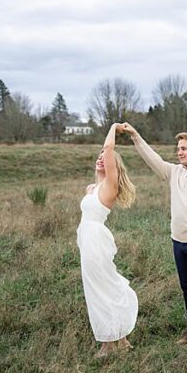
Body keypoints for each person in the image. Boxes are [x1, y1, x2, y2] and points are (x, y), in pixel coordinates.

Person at [120, 123, 187, 345]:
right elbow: (153, 159)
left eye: (183, 148)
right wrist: (135, 135)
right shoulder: (174, 172)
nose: (179, 152)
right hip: (178, 243)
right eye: (178, 149)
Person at [77, 123, 138, 358]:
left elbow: (109, 147)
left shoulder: (110, 185)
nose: (101, 158)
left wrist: (113, 127)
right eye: (99, 157)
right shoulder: (93, 187)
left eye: (106, 157)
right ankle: (120, 340)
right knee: (96, 288)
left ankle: (108, 342)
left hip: (96, 239)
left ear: (113, 164)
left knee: (101, 288)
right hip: (87, 238)